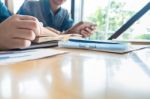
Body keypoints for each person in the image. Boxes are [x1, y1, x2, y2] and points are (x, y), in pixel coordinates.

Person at [18, 0, 96, 37]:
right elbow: (17, 30)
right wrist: (64, 34)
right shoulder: (29, 5)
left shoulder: (65, 14)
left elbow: (69, 35)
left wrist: (79, 33)